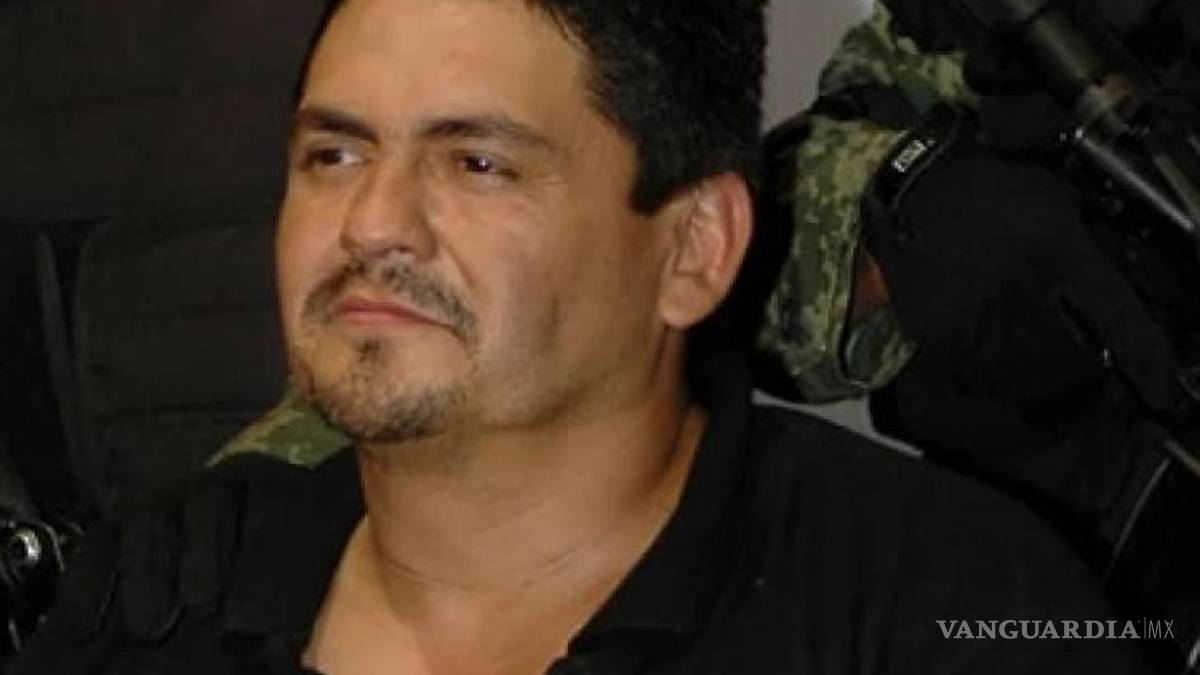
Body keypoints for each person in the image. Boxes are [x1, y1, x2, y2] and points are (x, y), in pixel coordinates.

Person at [12, 0, 1150, 673]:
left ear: (695, 247)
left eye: (477, 162)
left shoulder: (952, 616)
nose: (369, 221)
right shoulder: (152, 613)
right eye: (333, 154)